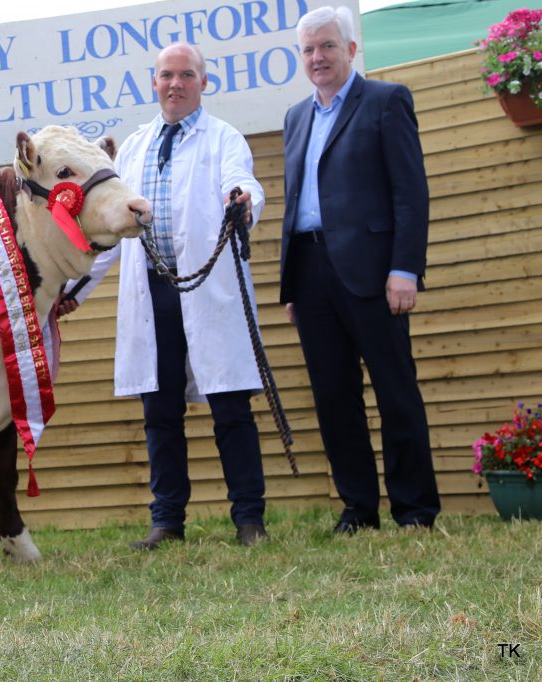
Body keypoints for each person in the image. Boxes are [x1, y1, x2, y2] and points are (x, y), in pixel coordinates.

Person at [58, 43, 269, 548]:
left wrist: (243, 203)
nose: (176, 84)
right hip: (152, 292)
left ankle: (249, 519)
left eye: (187, 75)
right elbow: (112, 231)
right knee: (160, 411)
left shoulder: (224, 139)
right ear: (154, 83)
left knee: (230, 409)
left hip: (207, 288)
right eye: (166, 76)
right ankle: (167, 520)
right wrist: (71, 292)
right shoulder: (134, 147)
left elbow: (243, 185)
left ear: (202, 82)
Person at [279, 6, 441, 533]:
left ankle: (415, 509)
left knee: (396, 389)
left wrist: (405, 269)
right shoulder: (295, 117)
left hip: (374, 272)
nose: (317, 57)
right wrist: (291, 285)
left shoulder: (386, 101)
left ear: (351, 50)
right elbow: (296, 201)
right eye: (307, 49)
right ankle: (358, 509)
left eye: (327, 46)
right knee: (332, 396)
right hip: (310, 272)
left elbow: (410, 194)